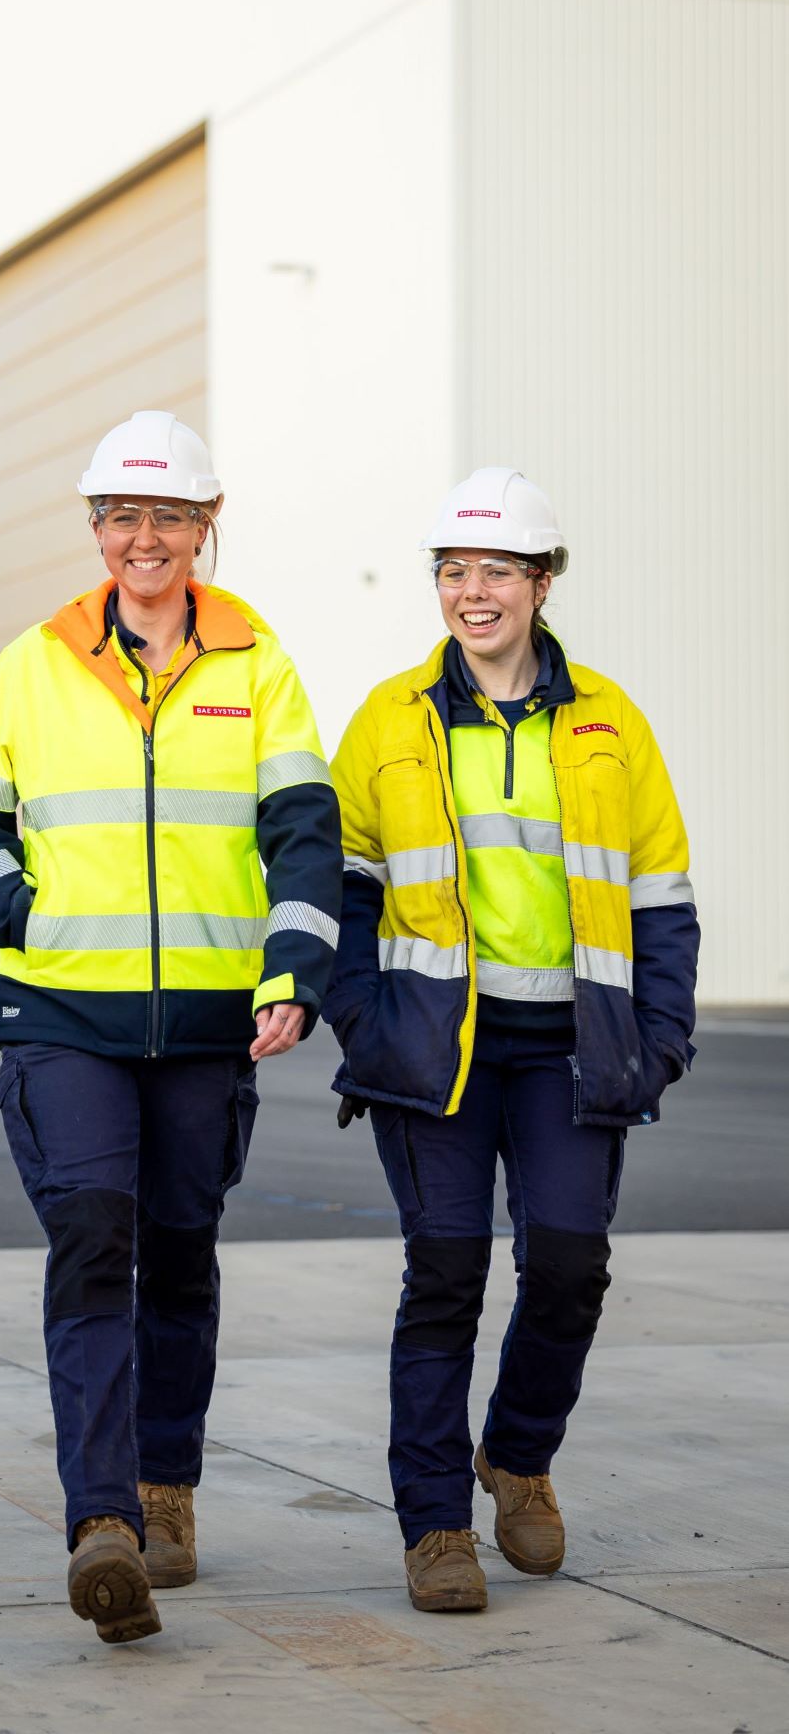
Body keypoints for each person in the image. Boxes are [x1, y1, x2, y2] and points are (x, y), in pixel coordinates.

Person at [0, 411, 341, 1644]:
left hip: (210, 1021)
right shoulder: (37, 659)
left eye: (166, 515)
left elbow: (304, 830)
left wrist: (292, 967)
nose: (141, 537)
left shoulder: (256, 661)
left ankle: (168, 1485)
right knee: (92, 1236)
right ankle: (100, 1518)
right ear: (95, 527)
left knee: (180, 1246)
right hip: (62, 1011)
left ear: (205, 528)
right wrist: (16, 908)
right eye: (120, 515)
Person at [325, 467, 698, 1614]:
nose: (471, 592)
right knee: (443, 1271)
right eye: (452, 571)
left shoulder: (607, 720)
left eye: (495, 570)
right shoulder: (388, 719)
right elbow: (339, 885)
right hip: (435, 1049)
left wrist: (662, 1036)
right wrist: (362, 1017)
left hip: (570, 1045)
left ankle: (518, 1454)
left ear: (540, 582)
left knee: (569, 1264)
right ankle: (434, 1520)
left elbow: (661, 890)